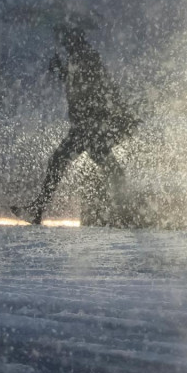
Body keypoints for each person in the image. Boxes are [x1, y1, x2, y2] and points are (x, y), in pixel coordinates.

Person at [16, 25, 138, 225]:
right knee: (105, 165)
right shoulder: (82, 56)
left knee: (61, 161)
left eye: (65, 40)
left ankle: (38, 210)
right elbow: (83, 83)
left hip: (88, 124)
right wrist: (61, 71)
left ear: (74, 39)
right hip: (89, 124)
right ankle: (127, 213)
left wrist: (62, 71)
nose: (63, 44)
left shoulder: (85, 57)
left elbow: (90, 86)